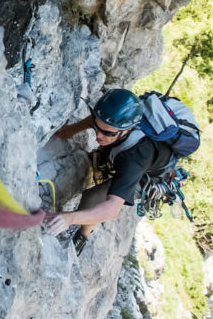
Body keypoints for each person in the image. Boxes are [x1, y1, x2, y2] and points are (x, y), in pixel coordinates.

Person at [42, 89, 172, 255]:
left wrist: (70, 218)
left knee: (92, 199)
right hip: (122, 150)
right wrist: (65, 132)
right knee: (101, 138)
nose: (98, 135)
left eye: (107, 133)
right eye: (97, 127)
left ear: (127, 130)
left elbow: (111, 210)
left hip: (147, 175)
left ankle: (82, 237)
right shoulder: (110, 122)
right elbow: (94, 123)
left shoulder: (134, 160)